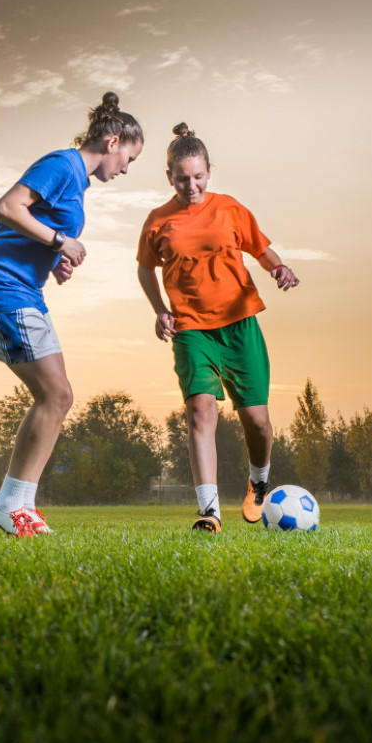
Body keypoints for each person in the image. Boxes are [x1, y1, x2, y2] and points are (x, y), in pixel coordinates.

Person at [0, 92, 144, 538]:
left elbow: (38, 228)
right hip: (1, 287)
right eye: (128, 158)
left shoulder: (76, 183)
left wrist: (55, 257)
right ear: (112, 141)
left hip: (22, 288)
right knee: (56, 395)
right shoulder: (62, 164)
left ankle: (20, 503)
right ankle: (8, 504)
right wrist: (58, 242)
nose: (125, 169)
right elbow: (7, 207)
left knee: (57, 396)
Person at [137, 122, 299, 532]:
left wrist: (278, 267)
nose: (190, 186)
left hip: (240, 324)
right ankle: (209, 510)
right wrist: (160, 309)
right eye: (181, 179)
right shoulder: (158, 221)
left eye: (197, 177)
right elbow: (144, 268)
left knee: (257, 422)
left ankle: (258, 482)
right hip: (191, 328)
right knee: (200, 410)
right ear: (168, 177)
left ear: (209, 170)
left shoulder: (230, 209)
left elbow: (260, 250)